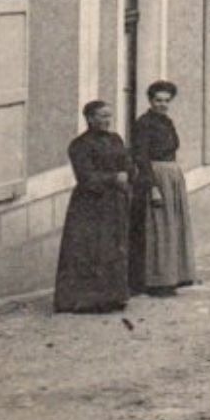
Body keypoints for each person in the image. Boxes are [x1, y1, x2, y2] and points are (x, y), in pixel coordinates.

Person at [54, 101, 134, 314]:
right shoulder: (79, 145)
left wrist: (127, 173)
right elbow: (85, 176)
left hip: (115, 202)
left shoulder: (116, 139)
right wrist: (113, 178)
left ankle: (114, 297)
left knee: (114, 247)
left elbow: (127, 162)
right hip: (90, 205)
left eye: (109, 116)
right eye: (102, 116)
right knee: (90, 249)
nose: (107, 120)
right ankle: (86, 301)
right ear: (89, 118)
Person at [128, 80, 195, 297]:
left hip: (171, 177)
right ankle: (154, 281)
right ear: (150, 100)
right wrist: (152, 187)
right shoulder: (143, 124)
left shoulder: (167, 122)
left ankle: (172, 276)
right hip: (154, 177)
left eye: (166, 101)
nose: (162, 104)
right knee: (157, 228)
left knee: (171, 226)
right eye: (158, 100)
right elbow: (141, 157)